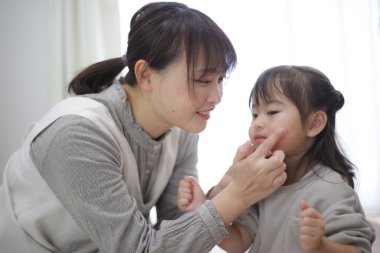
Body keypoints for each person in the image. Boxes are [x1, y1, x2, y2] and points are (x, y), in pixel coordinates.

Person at [0, 2, 288, 253]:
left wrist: (221, 191)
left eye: (221, 79)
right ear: (146, 75)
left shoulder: (182, 128)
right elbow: (139, 248)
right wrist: (237, 196)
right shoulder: (76, 134)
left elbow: (174, 224)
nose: (216, 97)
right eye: (202, 80)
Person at [177, 65, 376, 253]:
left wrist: (321, 245)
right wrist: (203, 207)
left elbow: (358, 249)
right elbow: (239, 243)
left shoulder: (331, 188)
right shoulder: (263, 182)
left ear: (314, 123)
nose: (258, 123)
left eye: (272, 112)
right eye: (255, 114)